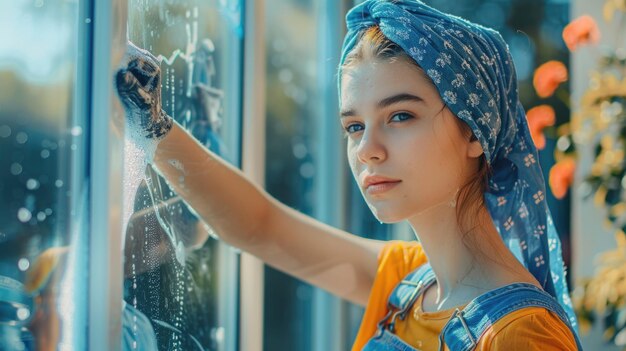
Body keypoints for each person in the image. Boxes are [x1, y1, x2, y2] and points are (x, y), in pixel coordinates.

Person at [114, 0, 584, 349]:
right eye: (354, 127)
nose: (368, 151)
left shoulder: (521, 335)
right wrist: (153, 128)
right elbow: (260, 227)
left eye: (400, 116)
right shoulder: (411, 282)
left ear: (474, 131)